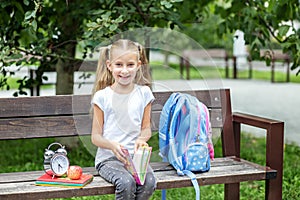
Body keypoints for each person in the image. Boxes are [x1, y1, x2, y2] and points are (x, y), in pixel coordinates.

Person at [90, 39, 156, 199]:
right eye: (119, 65)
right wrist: (112, 146)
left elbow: (146, 128)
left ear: (138, 65)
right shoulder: (102, 97)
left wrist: (142, 139)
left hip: (135, 159)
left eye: (130, 65)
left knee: (149, 182)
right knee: (126, 182)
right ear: (109, 65)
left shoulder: (144, 94)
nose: (125, 71)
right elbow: (95, 137)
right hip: (109, 159)